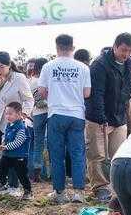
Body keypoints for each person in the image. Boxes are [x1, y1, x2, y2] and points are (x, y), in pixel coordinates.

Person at [37, 35, 91, 204]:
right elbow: (87, 93)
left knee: (57, 154)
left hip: (56, 114)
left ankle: (60, 192)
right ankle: (79, 192)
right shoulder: (83, 67)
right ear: (72, 47)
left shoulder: (48, 66)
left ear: (57, 47)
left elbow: (42, 91)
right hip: (76, 115)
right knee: (77, 154)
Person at [85, 33, 131, 202]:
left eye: (129, 51)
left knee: (118, 154)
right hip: (98, 117)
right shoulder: (100, 64)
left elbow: (127, 88)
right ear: (115, 46)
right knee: (98, 154)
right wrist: (100, 117)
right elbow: (96, 93)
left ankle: (116, 186)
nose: (126, 54)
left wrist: (124, 112)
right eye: (123, 50)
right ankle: (100, 187)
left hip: (119, 116)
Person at [0, 51, 33, 192]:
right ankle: (2, 180)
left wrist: (23, 114)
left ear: (8, 65)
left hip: (13, 121)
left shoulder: (19, 78)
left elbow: (29, 99)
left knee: (12, 153)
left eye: (1, 67)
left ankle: (13, 185)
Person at [0, 102, 32, 200]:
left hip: (19, 156)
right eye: (6, 113)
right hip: (8, 155)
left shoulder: (21, 127)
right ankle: (2, 183)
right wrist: (3, 142)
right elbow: (5, 135)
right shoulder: (9, 125)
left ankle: (28, 191)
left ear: (18, 114)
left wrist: (6, 147)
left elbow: (18, 142)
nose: (7, 116)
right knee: (0, 166)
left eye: (10, 114)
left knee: (22, 175)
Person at [27, 57, 49, 182]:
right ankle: (45, 173)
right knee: (49, 143)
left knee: (38, 144)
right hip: (48, 113)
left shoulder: (31, 81)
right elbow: (40, 102)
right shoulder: (44, 80)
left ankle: (36, 172)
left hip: (36, 114)